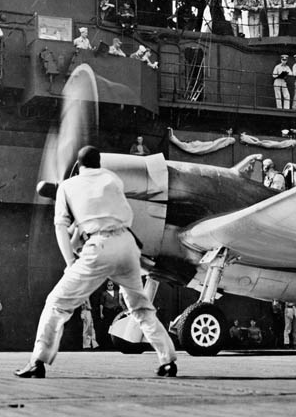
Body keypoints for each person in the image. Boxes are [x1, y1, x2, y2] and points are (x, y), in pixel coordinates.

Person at [15, 145, 177, 378]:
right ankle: (168, 360)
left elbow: (60, 227)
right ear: (99, 163)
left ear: (79, 166)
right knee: (141, 308)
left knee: (56, 304)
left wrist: (70, 261)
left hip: (99, 246)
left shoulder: (68, 187)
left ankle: (37, 362)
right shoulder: (112, 179)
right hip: (128, 245)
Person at [99, 279, 122, 347]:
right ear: (107, 286)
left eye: (111, 285)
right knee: (108, 327)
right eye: (109, 285)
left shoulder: (117, 292)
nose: (110, 286)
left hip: (116, 311)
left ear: (113, 286)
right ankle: (108, 344)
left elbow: (120, 301)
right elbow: (101, 304)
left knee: (116, 326)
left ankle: (115, 343)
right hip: (108, 311)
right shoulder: (104, 293)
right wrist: (101, 313)